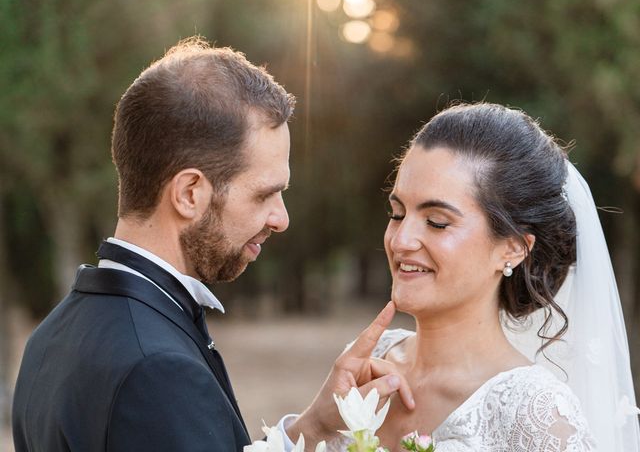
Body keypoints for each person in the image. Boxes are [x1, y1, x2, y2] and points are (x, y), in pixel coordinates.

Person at [11, 37, 415, 452]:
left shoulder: (52, 336)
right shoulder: (157, 369)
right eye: (263, 195)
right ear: (189, 193)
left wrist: (311, 429)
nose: (281, 218)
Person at [328, 103, 640, 451]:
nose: (400, 240)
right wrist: (315, 425)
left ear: (513, 248)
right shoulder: (365, 370)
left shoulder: (535, 416)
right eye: (397, 213)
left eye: (437, 222)